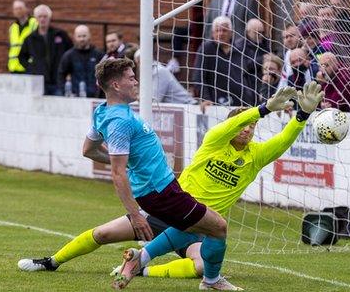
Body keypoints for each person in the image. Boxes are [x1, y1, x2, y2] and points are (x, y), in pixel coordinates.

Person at [17, 77, 323, 290]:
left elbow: (283, 142)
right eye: (243, 125)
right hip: (170, 208)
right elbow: (229, 125)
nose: (247, 131)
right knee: (103, 233)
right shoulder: (215, 141)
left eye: (252, 126)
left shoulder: (256, 156)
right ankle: (52, 261)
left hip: (198, 223)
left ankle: (144, 267)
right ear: (232, 126)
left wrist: (303, 115)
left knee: (202, 265)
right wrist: (262, 109)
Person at [88, 59, 296, 290]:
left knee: (191, 230)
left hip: (161, 191)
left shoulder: (104, 112)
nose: (136, 81)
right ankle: (208, 279)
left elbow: (88, 150)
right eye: (131, 77)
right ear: (116, 85)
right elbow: (117, 173)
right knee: (218, 227)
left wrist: (301, 115)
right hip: (160, 191)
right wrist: (135, 214)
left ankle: (144, 261)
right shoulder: (121, 120)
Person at [192, 16, 248, 107]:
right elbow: (198, 76)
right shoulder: (206, 48)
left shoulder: (239, 49)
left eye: (224, 30)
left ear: (231, 33)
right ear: (213, 33)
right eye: (217, 31)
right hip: (215, 104)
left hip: (240, 102)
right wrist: (206, 98)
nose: (220, 34)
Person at [18, 4, 72, 96]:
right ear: (35, 18)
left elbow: (71, 52)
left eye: (45, 16)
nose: (42, 19)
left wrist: (67, 70)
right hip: (39, 81)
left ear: (49, 18)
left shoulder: (60, 35)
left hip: (58, 79)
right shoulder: (30, 38)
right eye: (40, 16)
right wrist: (32, 69)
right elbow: (21, 57)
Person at [129, 48, 196, 104]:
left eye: (139, 62)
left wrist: (134, 97)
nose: (138, 66)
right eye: (137, 63)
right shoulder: (150, 73)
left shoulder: (159, 71)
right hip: (178, 108)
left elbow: (154, 100)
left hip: (189, 107)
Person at [57, 25, 103, 97]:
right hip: (76, 97)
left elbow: (105, 75)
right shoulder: (69, 55)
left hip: (96, 97)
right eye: (79, 36)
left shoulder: (98, 54)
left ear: (89, 36)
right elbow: (61, 75)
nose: (82, 39)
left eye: (84, 36)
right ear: (75, 37)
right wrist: (64, 91)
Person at [234, 18, 271, 105]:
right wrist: (262, 59)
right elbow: (244, 65)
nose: (260, 35)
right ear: (248, 32)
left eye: (262, 32)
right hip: (247, 85)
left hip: (263, 83)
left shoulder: (265, 43)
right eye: (257, 33)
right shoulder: (239, 45)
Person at [8, 0, 37, 73]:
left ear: (26, 9)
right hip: (13, 66)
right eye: (16, 9)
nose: (18, 11)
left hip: (28, 66)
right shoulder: (13, 27)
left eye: (20, 8)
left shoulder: (34, 23)